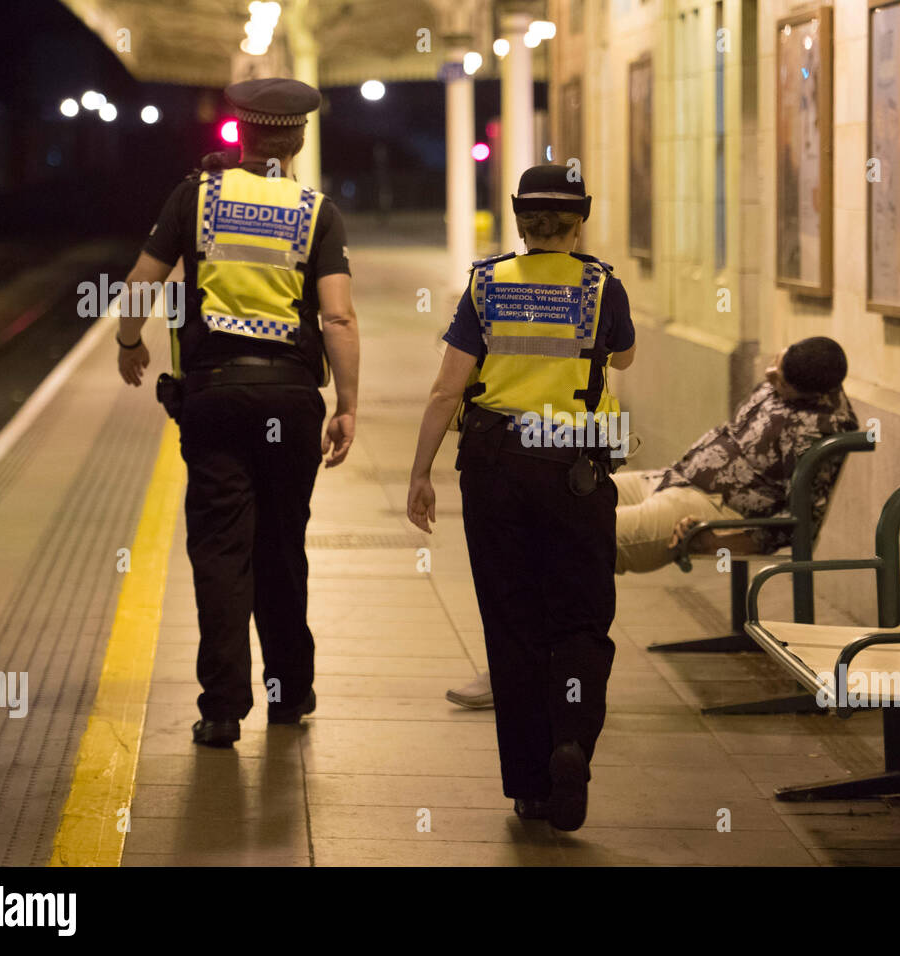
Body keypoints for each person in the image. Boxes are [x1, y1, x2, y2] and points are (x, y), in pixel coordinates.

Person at [114, 78, 360, 748]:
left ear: (241, 133)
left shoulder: (195, 196)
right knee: (282, 546)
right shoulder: (316, 211)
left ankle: (222, 709)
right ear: (299, 137)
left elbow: (141, 281)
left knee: (222, 552)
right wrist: (347, 403)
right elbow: (336, 315)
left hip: (215, 397)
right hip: (290, 398)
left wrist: (128, 340)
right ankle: (289, 692)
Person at [446, 335, 856, 709]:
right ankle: (525, 664)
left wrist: (719, 541)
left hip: (708, 509)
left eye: (779, 378)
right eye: (776, 363)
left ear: (808, 392)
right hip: (670, 478)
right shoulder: (784, 380)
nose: (769, 375)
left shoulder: (824, 429)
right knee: (554, 500)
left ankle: (522, 676)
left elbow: (798, 521)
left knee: (564, 545)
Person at [407, 164, 635, 831]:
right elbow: (620, 360)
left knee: (512, 623)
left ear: (518, 220)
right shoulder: (602, 285)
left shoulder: (486, 282)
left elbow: (447, 389)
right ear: (579, 221)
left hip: (495, 463)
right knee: (581, 619)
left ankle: (532, 787)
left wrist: (420, 473)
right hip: (575, 462)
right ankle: (572, 742)